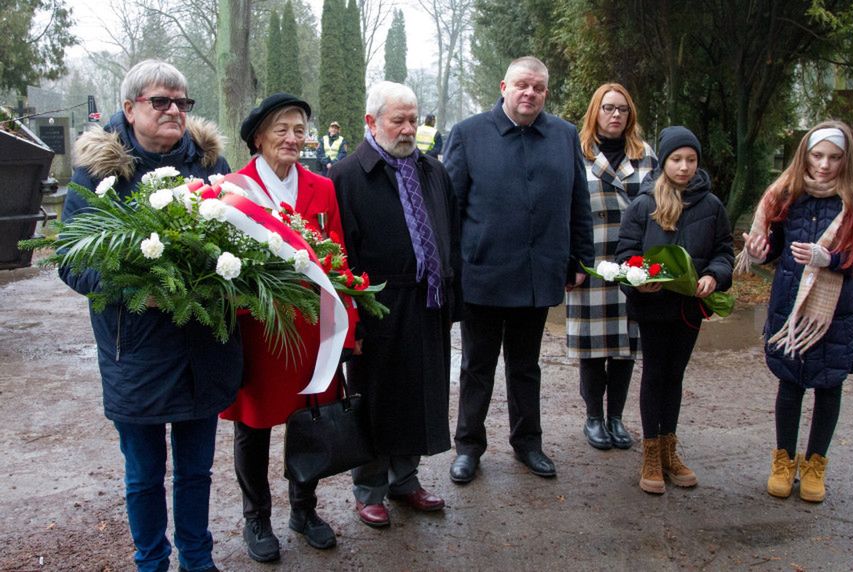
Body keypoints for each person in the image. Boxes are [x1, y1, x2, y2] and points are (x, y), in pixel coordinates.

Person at [61, 59, 240, 572]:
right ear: (129, 108)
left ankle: (198, 560)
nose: (174, 111)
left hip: (204, 345)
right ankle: (151, 562)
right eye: (160, 101)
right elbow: (73, 259)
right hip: (134, 346)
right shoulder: (98, 173)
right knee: (143, 474)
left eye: (183, 102)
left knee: (196, 471)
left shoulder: (212, 165)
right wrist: (138, 290)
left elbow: (239, 238)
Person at [443, 56, 593, 483]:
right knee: (477, 365)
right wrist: (452, 268)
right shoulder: (469, 135)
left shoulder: (564, 136)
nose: (530, 93)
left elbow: (578, 203)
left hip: (536, 273)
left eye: (539, 88)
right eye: (522, 85)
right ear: (504, 86)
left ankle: (528, 443)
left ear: (546, 92)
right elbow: (451, 208)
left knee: (526, 365)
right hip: (483, 273)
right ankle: (468, 446)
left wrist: (580, 259)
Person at [219, 93, 354, 561]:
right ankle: (256, 518)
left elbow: (338, 259)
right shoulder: (234, 191)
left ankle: (304, 509)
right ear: (259, 138)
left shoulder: (323, 188)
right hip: (259, 330)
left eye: (300, 129)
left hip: (312, 328)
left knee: (308, 420)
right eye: (282, 129)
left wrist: (347, 330)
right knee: (253, 427)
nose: (293, 138)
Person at [330, 81, 462, 528]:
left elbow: (451, 234)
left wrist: (451, 297)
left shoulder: (432, 170)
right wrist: (353, 325)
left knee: (419, 393)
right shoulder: (347, 175)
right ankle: (369, 489)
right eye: (397, 120)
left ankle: (405, 479)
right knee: (374, 399)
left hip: (427, 302)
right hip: (377, 306)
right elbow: (339, 252)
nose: (408, 129)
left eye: (412, 119)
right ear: (371, 122)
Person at [738, 121, 853, 503]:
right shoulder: (787, 195)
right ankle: (783, 461)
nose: (824, 165)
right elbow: (776, 250)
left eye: (834, 158)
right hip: (790, 307)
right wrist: (758, 251)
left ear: (846, 159)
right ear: (805, 154)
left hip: (838, 310)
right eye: (817, 156)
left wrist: (830, 259)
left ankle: (815, 465)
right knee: (790, 382)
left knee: (828, 384)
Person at [616, 126, 733, 495]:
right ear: (664, 161)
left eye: (691, 159)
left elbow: (724, 252)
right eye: (677, 159)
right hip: (653, 307)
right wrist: (638, 279)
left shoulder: (712, 206)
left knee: (675, 376)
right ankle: (651, 453)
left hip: (689, 308)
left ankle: (669, 450)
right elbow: (626, 256)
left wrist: (715, 276)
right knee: (654, 374)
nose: (684, 167)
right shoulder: (644, 204)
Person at [566, 83, 657, 451]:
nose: (615, 115)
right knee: (594, 346)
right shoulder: (577, 153)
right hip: (592, 260)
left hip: (632, 261)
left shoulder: (645, 155)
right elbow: (567, 208)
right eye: (608, 108)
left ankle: (616, 417)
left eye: (622, 109)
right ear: (595, 112)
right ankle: (593, 417)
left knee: (625, 344)